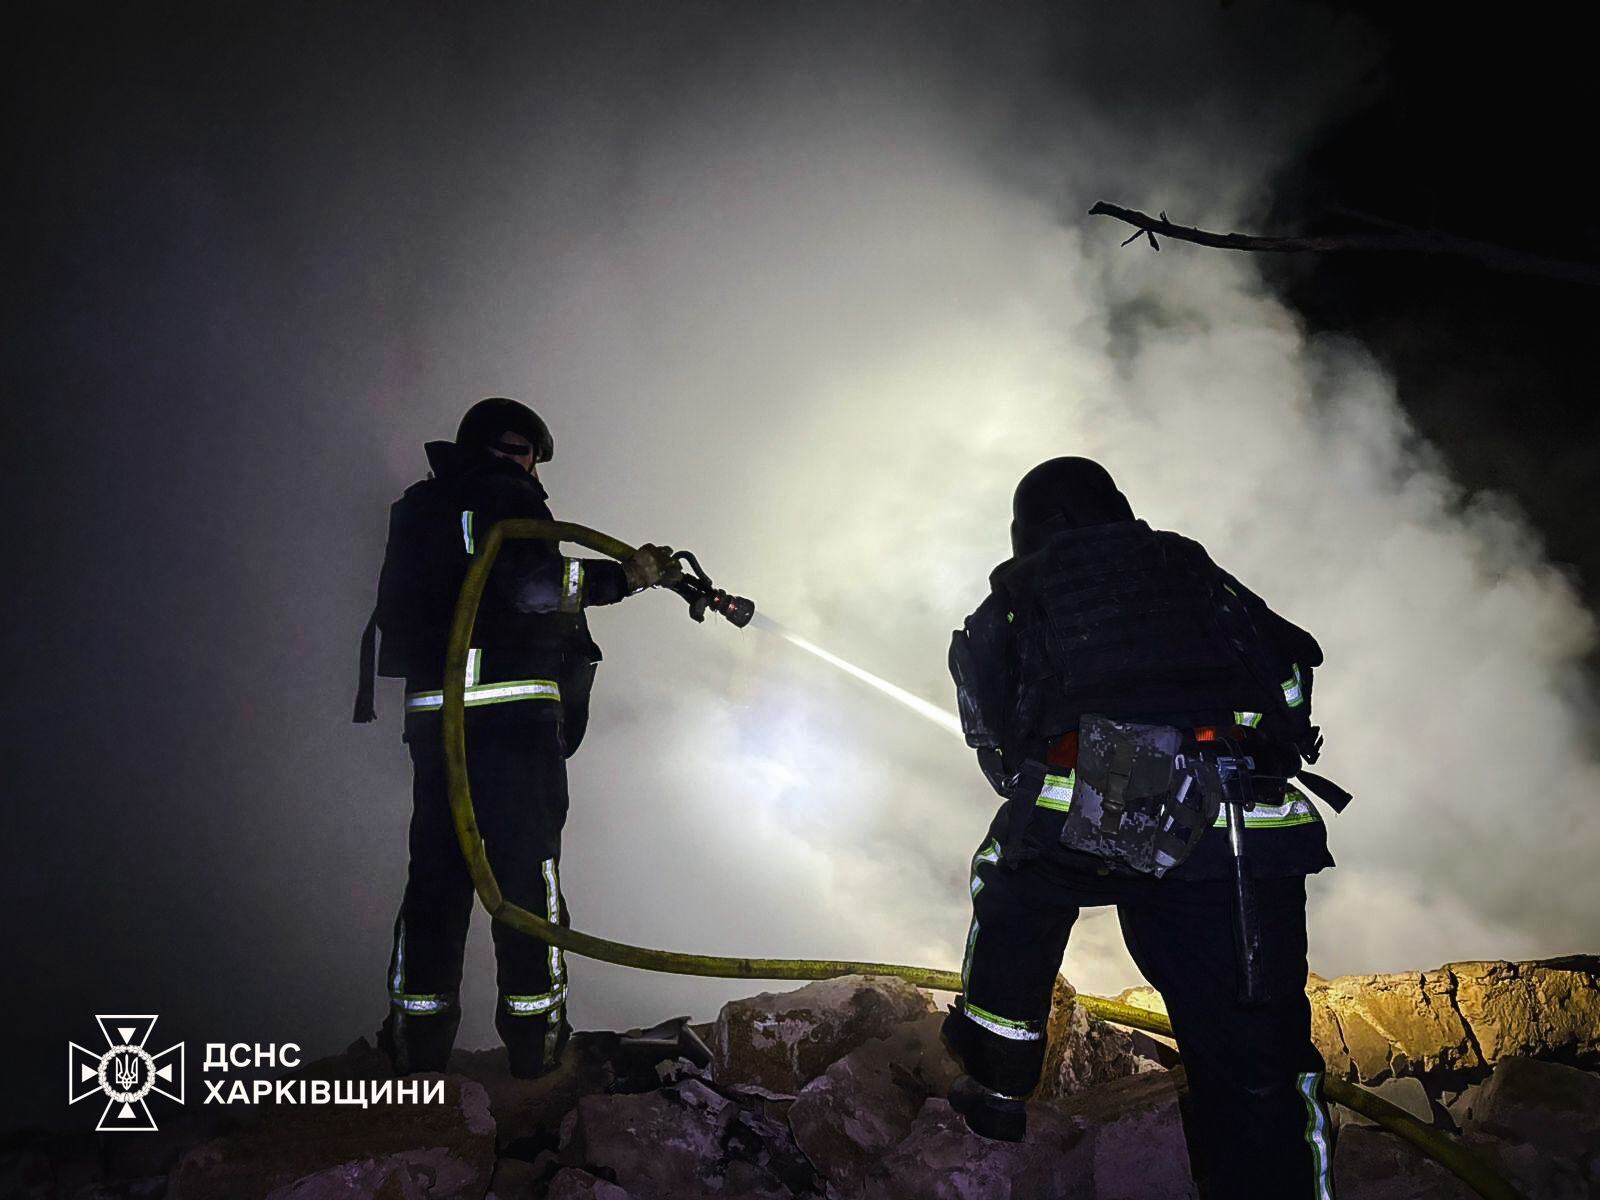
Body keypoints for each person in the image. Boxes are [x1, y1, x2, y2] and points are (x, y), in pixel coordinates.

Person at [943, 457, 1340, 1200]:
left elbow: (993, 736)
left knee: (1013, 871)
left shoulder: (1019, 591)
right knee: (1264, 1067)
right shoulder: (1192, 568)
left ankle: (998, 1083)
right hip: (1254, 823)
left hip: (1123, 805)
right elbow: (1291, 674)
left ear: (1031, 527)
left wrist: (1078, 759)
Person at [353, 397, 680, 1078]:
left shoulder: (433, 508)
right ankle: (539, 1052)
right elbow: (534, 588)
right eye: (526, 451)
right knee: (527, 884)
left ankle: (416, 1046)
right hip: (509, 728)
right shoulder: (503, 500)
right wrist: (627, 576)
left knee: (437, 882)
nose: (530, 465)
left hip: (441, 728)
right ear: (512, 451)